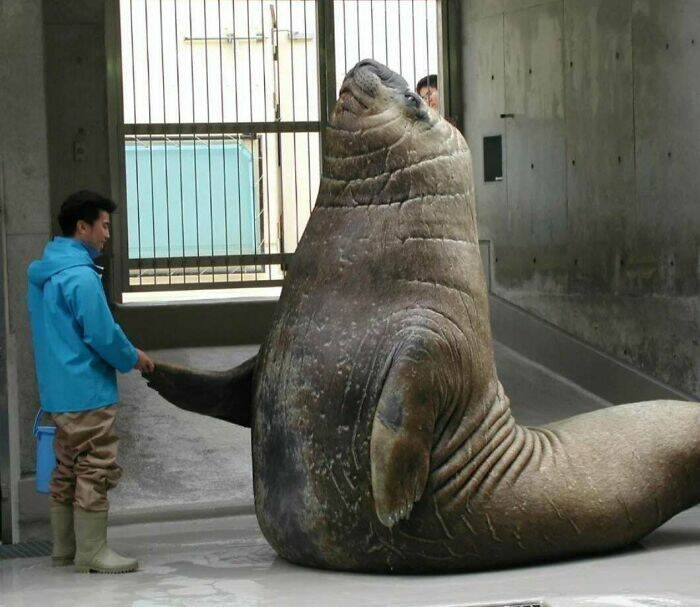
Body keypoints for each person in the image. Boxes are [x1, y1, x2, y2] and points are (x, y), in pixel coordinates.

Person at [27, 190, 155, 574]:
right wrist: (133, 357)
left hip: (57, 390)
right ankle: (92, 551)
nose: (107, 235)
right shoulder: (80, 277)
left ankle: (64, 548)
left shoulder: (45, 273)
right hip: (86, 390)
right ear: (82, 228)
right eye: (103, 226)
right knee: (95, 466)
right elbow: (102, 333)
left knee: (67, 467)